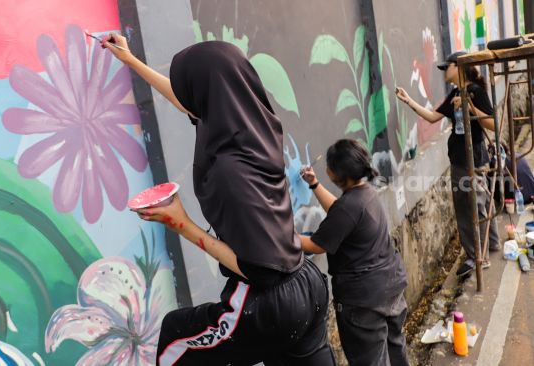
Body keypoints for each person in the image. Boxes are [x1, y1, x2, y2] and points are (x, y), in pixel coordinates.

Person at [103, 36, 335, 365]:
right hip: (307, 284)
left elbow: (260, 272)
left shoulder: (230, 172)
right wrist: (130, 60)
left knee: (175, 337)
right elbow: (190, 102)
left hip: (268, 301)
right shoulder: (257, 125)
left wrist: (181, 224)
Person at [299, 139, 409, 366]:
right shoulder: (366, 193)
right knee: (395, 351)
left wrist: (276, 235)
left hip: (364, 302)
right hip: (390, 288)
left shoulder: (350, 206)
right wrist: (314, 184)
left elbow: (315, 245)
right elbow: (341, 212)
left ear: (335, 174)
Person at [396, 51, 499, 277]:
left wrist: (469, 106)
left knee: (471, 206)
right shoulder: (454, 92)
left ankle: (476, 257)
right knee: (474, 203)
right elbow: (433, 117)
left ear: (459, 67)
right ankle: (488, 245)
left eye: (447, 67)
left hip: (473, 157)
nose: (444, 72)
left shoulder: (475, 92)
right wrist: (409, 101)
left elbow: (492, 124)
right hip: (459, 158)